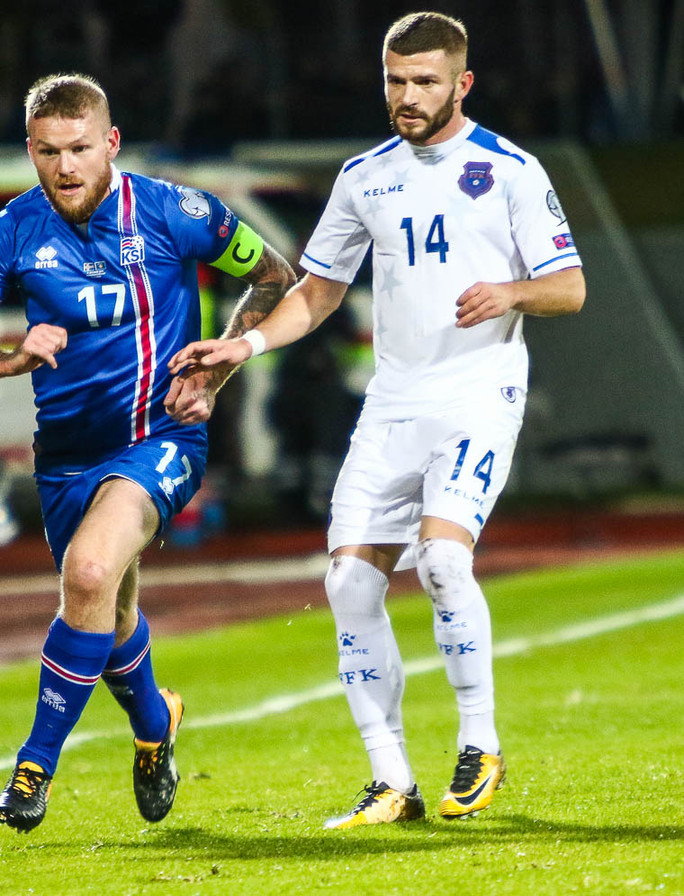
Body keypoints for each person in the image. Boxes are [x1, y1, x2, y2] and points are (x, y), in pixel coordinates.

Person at [169, 11, 586, 827]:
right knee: (348, 582)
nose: (407, 95)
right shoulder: (365, 177)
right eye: (396, 80)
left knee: (442, 560)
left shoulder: (511, 169)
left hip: (478, 394)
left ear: (462, 84)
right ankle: (392, 780)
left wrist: (511, 292)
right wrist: (242, 346)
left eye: (425, 81)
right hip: (395, 401)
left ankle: (480, 744)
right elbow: (317, 294)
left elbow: (569, 287)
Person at [0, 73, 295, 833]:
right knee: (110, 611)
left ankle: (33, 770)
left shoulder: (174, 211)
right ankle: (156, 726)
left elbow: (274, 275)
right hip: (64, 457)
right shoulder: (13, 229)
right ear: (30, 150)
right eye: (48, 152)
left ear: (111, 143)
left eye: (80, 149)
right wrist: (10, 359)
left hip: (160, 439)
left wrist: (217, 371)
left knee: (88, 573)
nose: (65, 168)